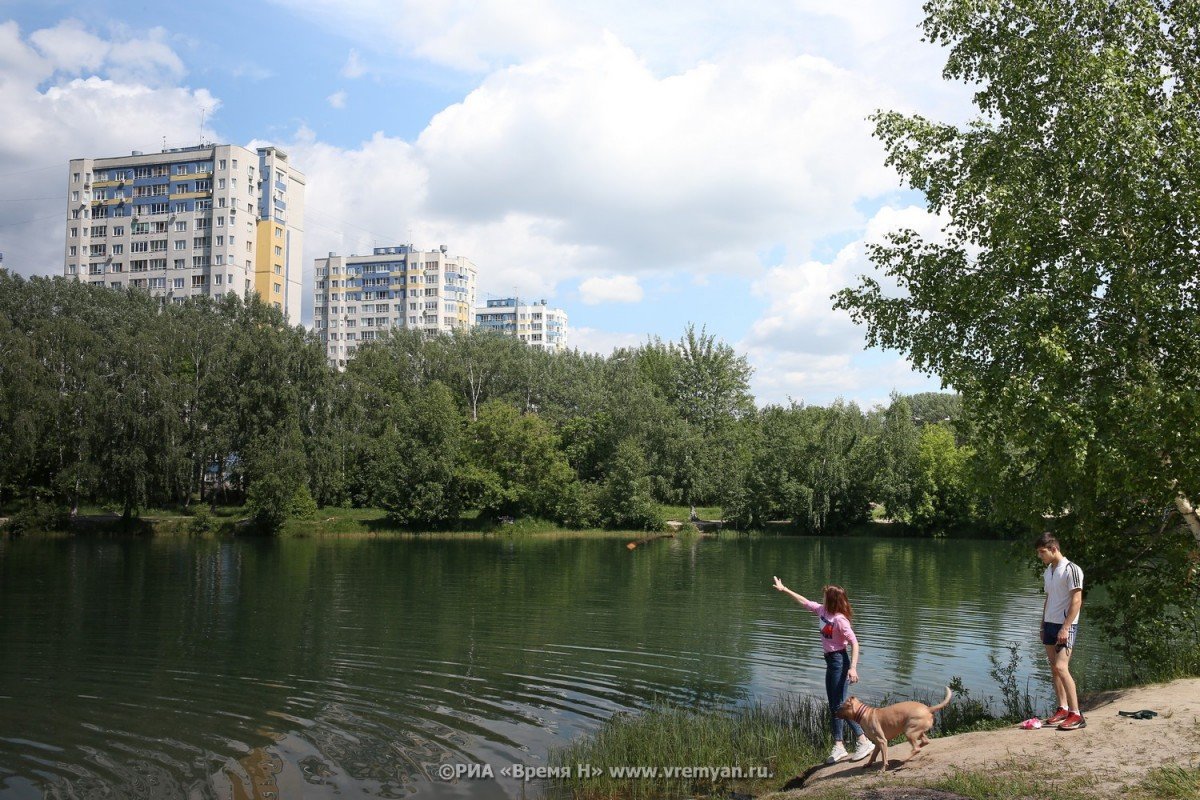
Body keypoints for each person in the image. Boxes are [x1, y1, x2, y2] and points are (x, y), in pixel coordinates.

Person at [772, 576, 875, 763]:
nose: (823, 597)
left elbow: (855, 643)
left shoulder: (840, 620)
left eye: (826, 595)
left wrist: (853, 668)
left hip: (839, 661)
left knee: (838, 705)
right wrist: (784, 589)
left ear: (832, 599)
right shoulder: (823, 611)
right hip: (831, 661)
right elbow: (804, 601)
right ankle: (839, 746)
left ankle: (863, 740)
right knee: (834, 705)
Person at [1035, 532, 1085, 731]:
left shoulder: (1072, 569)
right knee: (1054, 669)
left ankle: (1076, 714)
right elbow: (1049, 598)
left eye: (1042, 552)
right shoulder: (1049, 570)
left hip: (1066, 625)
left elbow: (1077, 600)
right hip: (1049, 624)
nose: (1040, 556)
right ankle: (1062, 709)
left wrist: (1065, 627)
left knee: (1062, 668)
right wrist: (1042, 624)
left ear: (1053, 548)